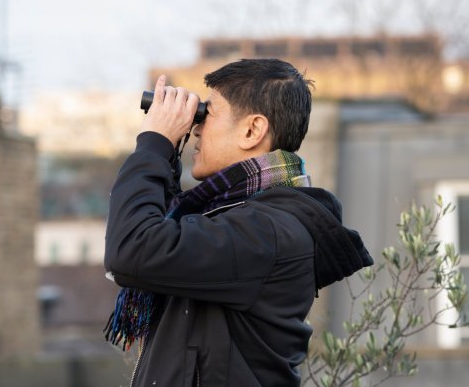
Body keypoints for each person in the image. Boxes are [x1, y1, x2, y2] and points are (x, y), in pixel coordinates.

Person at [103, 58, 373, 386]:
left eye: (208, 112)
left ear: (251, 130)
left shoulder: (269, 232)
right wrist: (168, 155)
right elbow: (164, 234)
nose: (196, 126)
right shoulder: (239, 217)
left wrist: (154, 143)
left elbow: (134, 250)